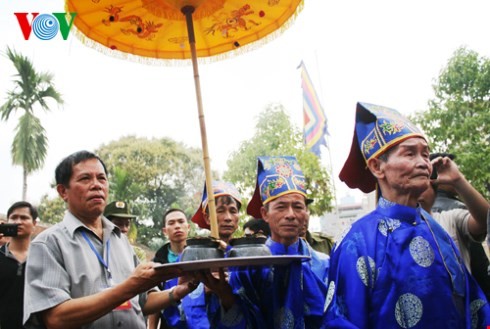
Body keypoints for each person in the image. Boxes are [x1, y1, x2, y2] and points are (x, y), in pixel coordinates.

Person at [326, 102, 490, 328]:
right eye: (410, 153)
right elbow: (343, 320)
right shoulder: (356, 242)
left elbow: (471, 307)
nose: (423, 163)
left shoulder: (437, 231)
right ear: (377, 167)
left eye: (425, 154)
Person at [23, 150, 180, 329]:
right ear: (63, 191)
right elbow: (55, 318)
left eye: (101, 178)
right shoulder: (48, 244)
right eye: (85, 179)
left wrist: (178, 291)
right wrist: (129, 287)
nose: (96, 185)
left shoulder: (121, 240)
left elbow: (143, 301)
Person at [204, 156, 329, 328]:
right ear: (264, 214)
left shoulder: (324, 265)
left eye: (298, 207)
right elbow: (237, 321)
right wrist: (225, 296)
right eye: (281, 207)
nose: (291, 214)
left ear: (306, 213)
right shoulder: (247, 267)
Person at [418, 153, 490, 300]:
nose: (419, 189)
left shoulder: (450, 217)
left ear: (434, 190)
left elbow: (484, 221)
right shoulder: (388, 231)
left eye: (426, 183)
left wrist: (458, 180)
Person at [149, 208, 191, 329]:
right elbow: (153, 298)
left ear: (188, 227)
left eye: (181, 221)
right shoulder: (156, 264)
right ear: (164, 231)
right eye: (171, 223)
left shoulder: (200, 257)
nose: (177, 226)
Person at [0, 201, 37, 329]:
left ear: (34, 224)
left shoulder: (44, 256)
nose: (18, 221)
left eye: (24, 217)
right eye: (14, 217)